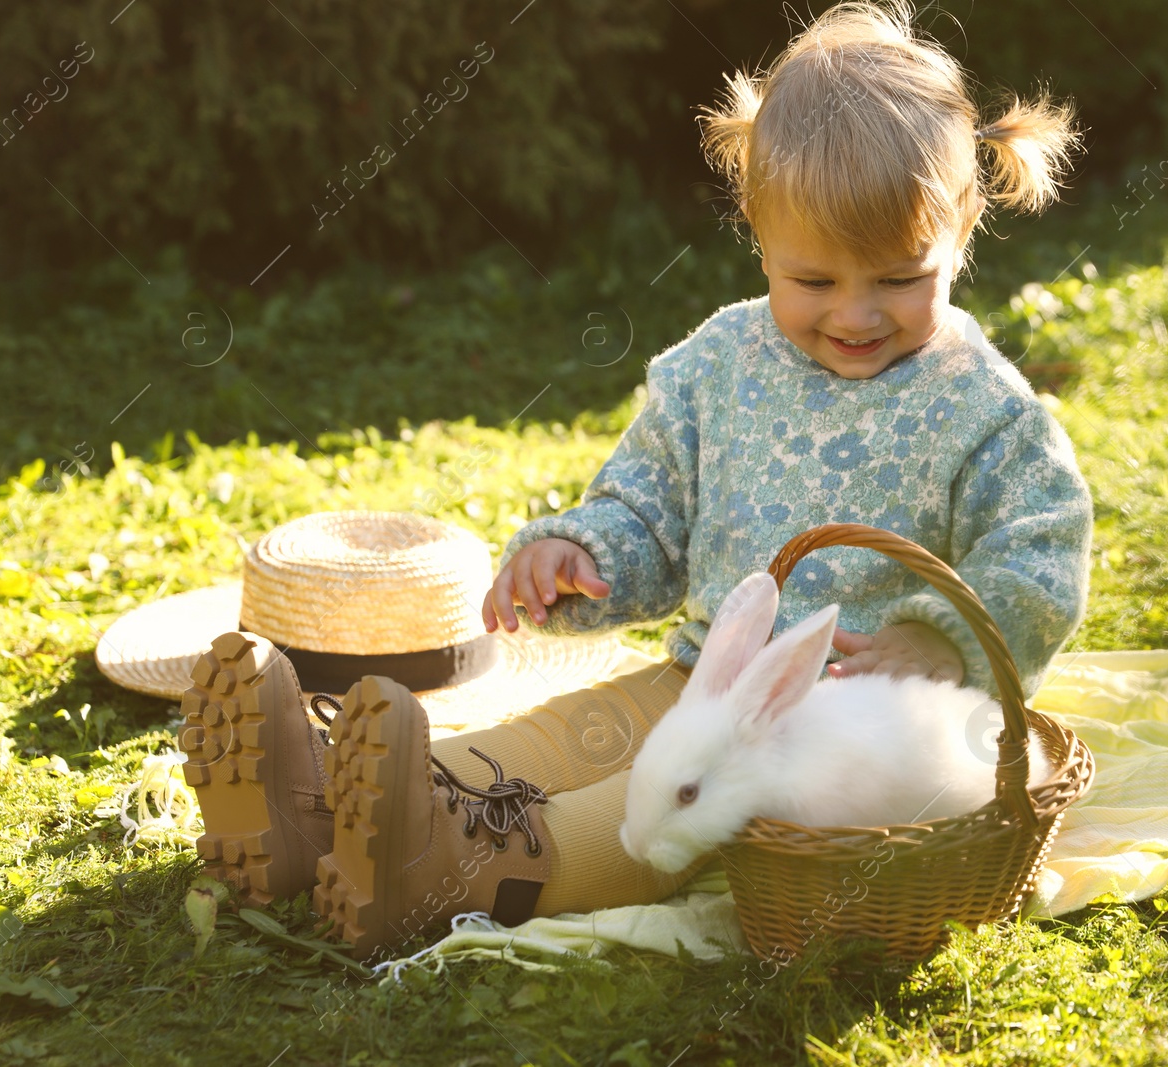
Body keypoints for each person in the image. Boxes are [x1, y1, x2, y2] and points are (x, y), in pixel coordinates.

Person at [196, 0, 1094, 959]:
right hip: (697, 682)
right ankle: (324, 804)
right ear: (757, 231)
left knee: (646, 818)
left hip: (833, 749)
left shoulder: (982, 408)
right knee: (559, 736)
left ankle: (447, 865)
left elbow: (1039, 551)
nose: (857, 312)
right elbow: (648, 506)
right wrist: (580, 551)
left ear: (963, 229)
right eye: (816, 280)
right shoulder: (719, 366)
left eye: (900, 277)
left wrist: (937, 637)